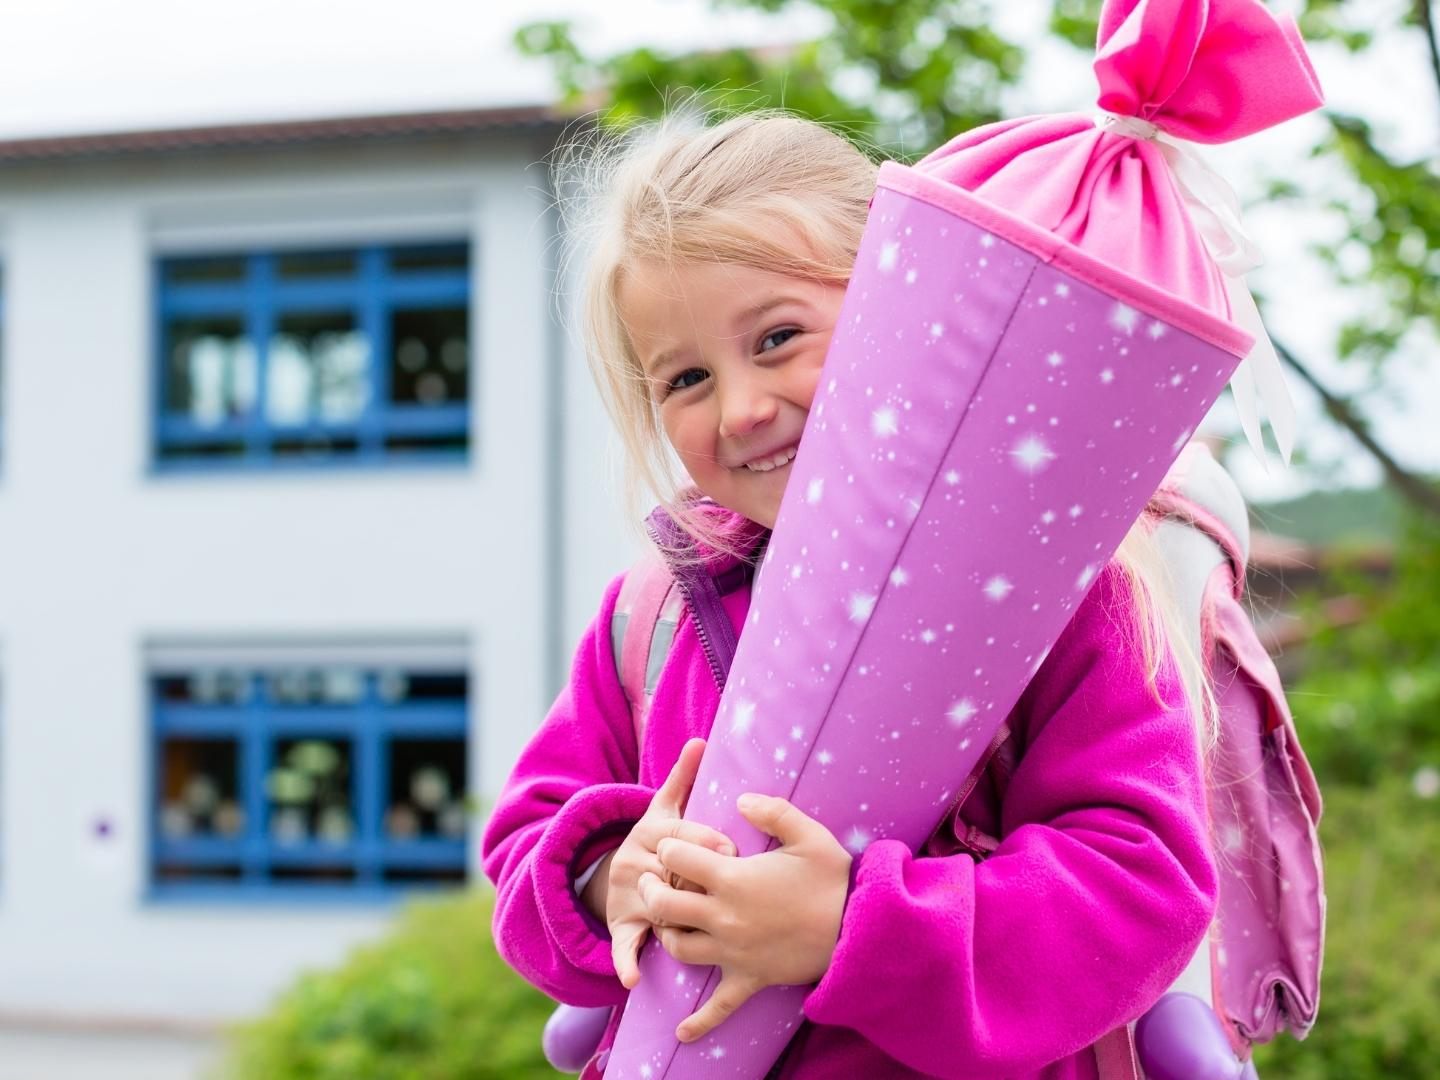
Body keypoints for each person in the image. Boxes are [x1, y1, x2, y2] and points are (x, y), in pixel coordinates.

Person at [481, 110, 1219, 1079]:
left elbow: (1136, 888)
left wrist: (854, 929)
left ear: (901, 312)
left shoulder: (1057, 588)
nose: (742, 408)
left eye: (779, 337)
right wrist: (608, 873)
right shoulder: (648, 617)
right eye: (687, 377)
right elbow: (526, 844)